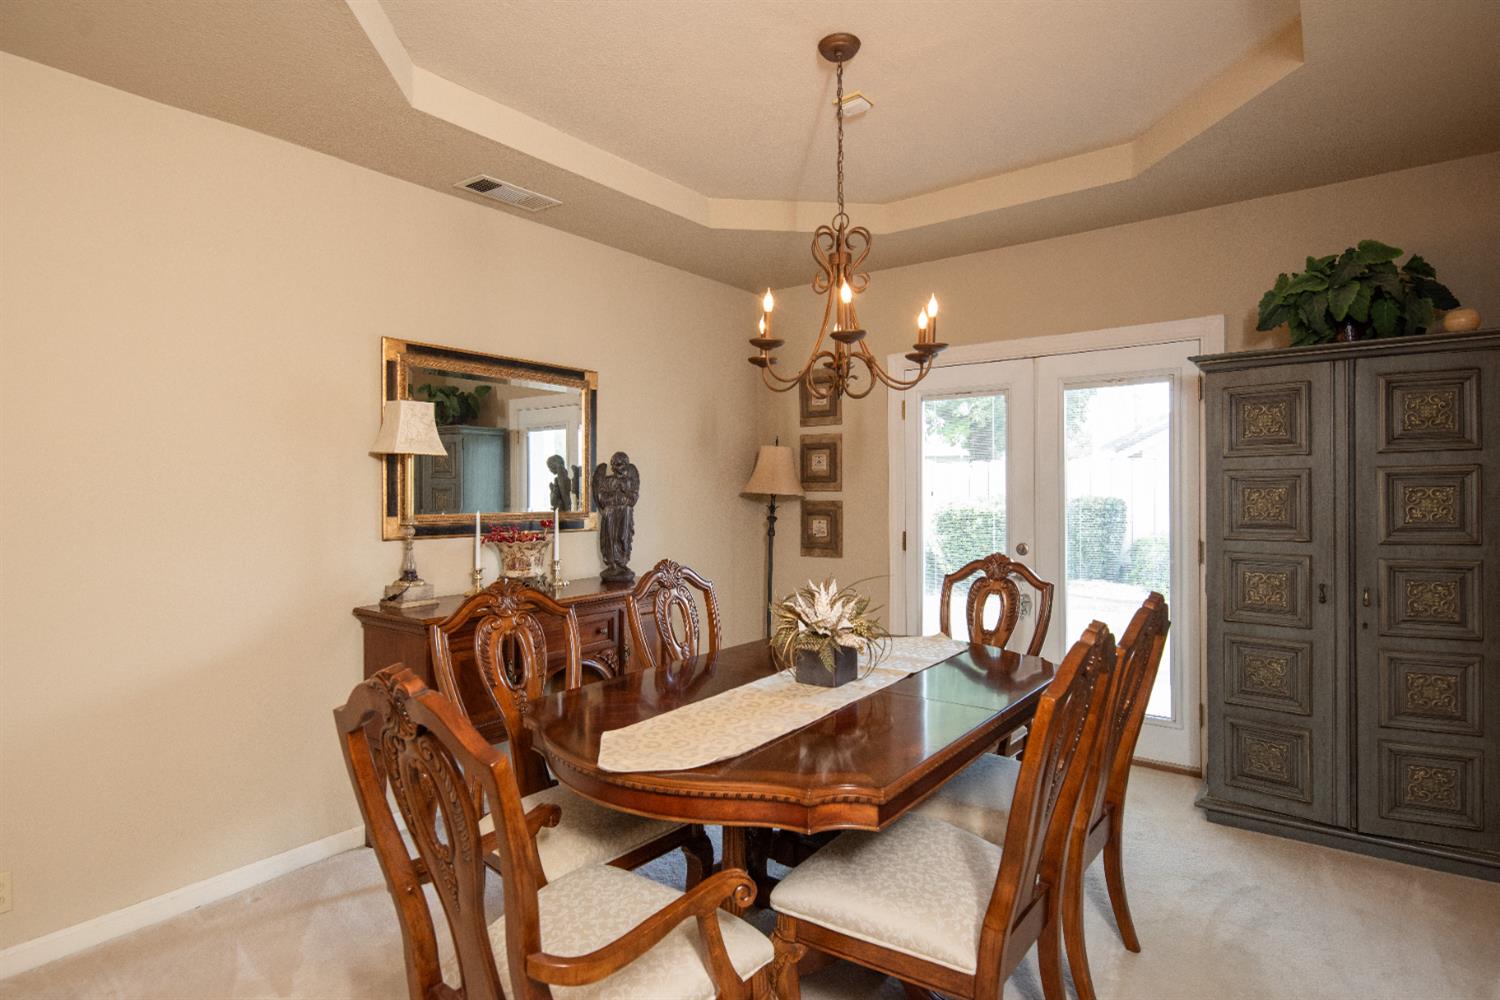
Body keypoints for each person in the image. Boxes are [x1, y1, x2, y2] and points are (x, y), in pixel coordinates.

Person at [593, 451, 639, 582]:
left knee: (623, 537)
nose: (614, 468)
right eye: (613, 465)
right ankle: (612, 564)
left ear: (625, 465)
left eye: (618, 464)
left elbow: (633, 499)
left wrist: (623, 490)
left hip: (625, 514)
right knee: (610, 538)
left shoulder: (629, 482)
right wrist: (616, 498)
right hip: (610, 515)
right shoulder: (608, 481)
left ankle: (622, 563)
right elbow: (601, 498)